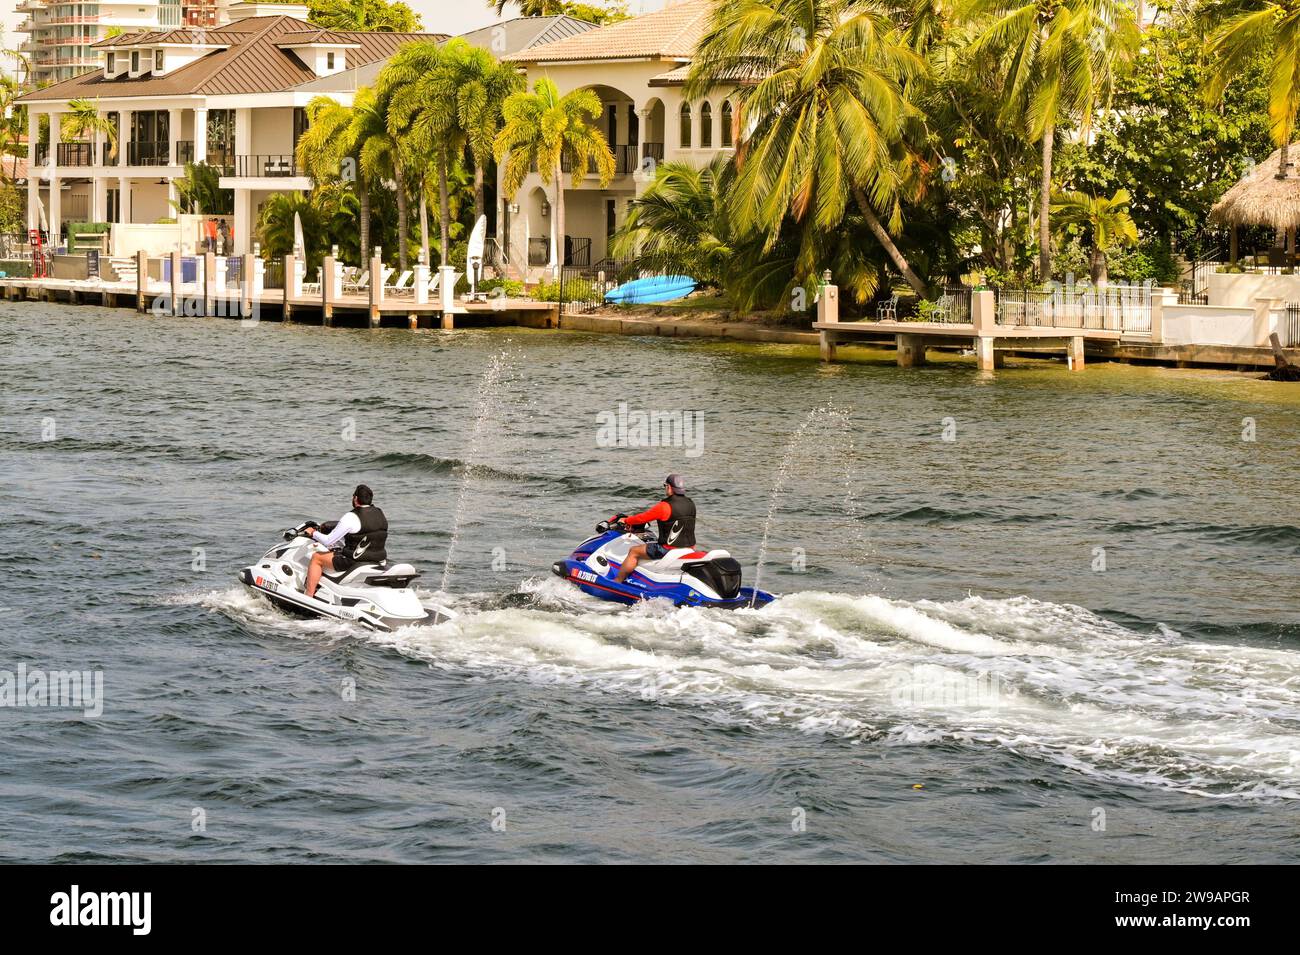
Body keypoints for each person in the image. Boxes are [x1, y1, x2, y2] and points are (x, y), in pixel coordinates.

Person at [303, 484, 388, 599]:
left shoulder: (351, 517)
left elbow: (328, 541)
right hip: (378, 559)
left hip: (353, 560)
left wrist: (313, 533)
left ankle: (308, 596)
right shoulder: (380, 513)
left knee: (316, 557)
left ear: (356, 498)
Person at [612, 474, 696, 584]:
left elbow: (642, 518)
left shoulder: (665, 506)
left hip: (668, 549)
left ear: (669, 487)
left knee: (633, 551)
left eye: (665, 486)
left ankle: (617, 581)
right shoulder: (691, 503)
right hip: (690, 547)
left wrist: (626, 521)